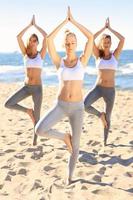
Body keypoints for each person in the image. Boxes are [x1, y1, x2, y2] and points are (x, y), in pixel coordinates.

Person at [35, 7, 93, 185]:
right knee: (39, 130)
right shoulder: (58, 61)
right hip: (60, 105)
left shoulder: (83, 60)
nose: (70, 45)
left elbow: (91, 37)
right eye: (67, 42)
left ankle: (70, 177)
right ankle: (63, 137)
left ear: (76, 44)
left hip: (77, 108)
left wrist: (73, 21)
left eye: (73, 42)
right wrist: (64, 22)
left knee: (76, 147)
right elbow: (48, 39)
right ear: (64, 45)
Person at [4, 15, 47, 146]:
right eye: (31, 40)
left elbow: (47, 37)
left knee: (37, 117)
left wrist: (36, 26)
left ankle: (34, 140)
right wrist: (29, 26)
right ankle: (28, 111)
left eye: (35, 40)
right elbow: (18, 37)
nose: (33, 42)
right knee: (8, 103)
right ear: (29, 42)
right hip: (26, 87)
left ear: (37, 42)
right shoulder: (25, 54)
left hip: (38, 89)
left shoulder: (41, 54)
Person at [84, 18, 125, 146]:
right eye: (104, 41)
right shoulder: (97, 55)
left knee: (109, 116)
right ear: (101, 43)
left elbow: (122, 39)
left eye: (108, 42)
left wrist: (110, 29)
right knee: (84, 105)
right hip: (98, 88)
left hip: (110, 91)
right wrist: (103, 29)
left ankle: (105, 142)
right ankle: (99, 115)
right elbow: (89, 40)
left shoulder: (115, 55)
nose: (106, 43)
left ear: (110, 43)